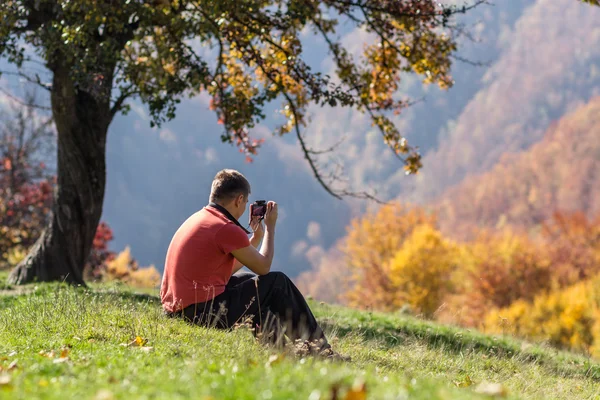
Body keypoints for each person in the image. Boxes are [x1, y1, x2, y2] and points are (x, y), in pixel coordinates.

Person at [160, 169, 345, 359]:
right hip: (201, 313)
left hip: (180, 310)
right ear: (239, 200)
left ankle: (282, 352)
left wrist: (256, 237)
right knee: (277, 282)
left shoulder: (202, 218)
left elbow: (225, 271)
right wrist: (270, 229)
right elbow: (264, 266)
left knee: (250, 282)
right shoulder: (225, 227)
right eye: (246, 202)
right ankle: (321, 352)